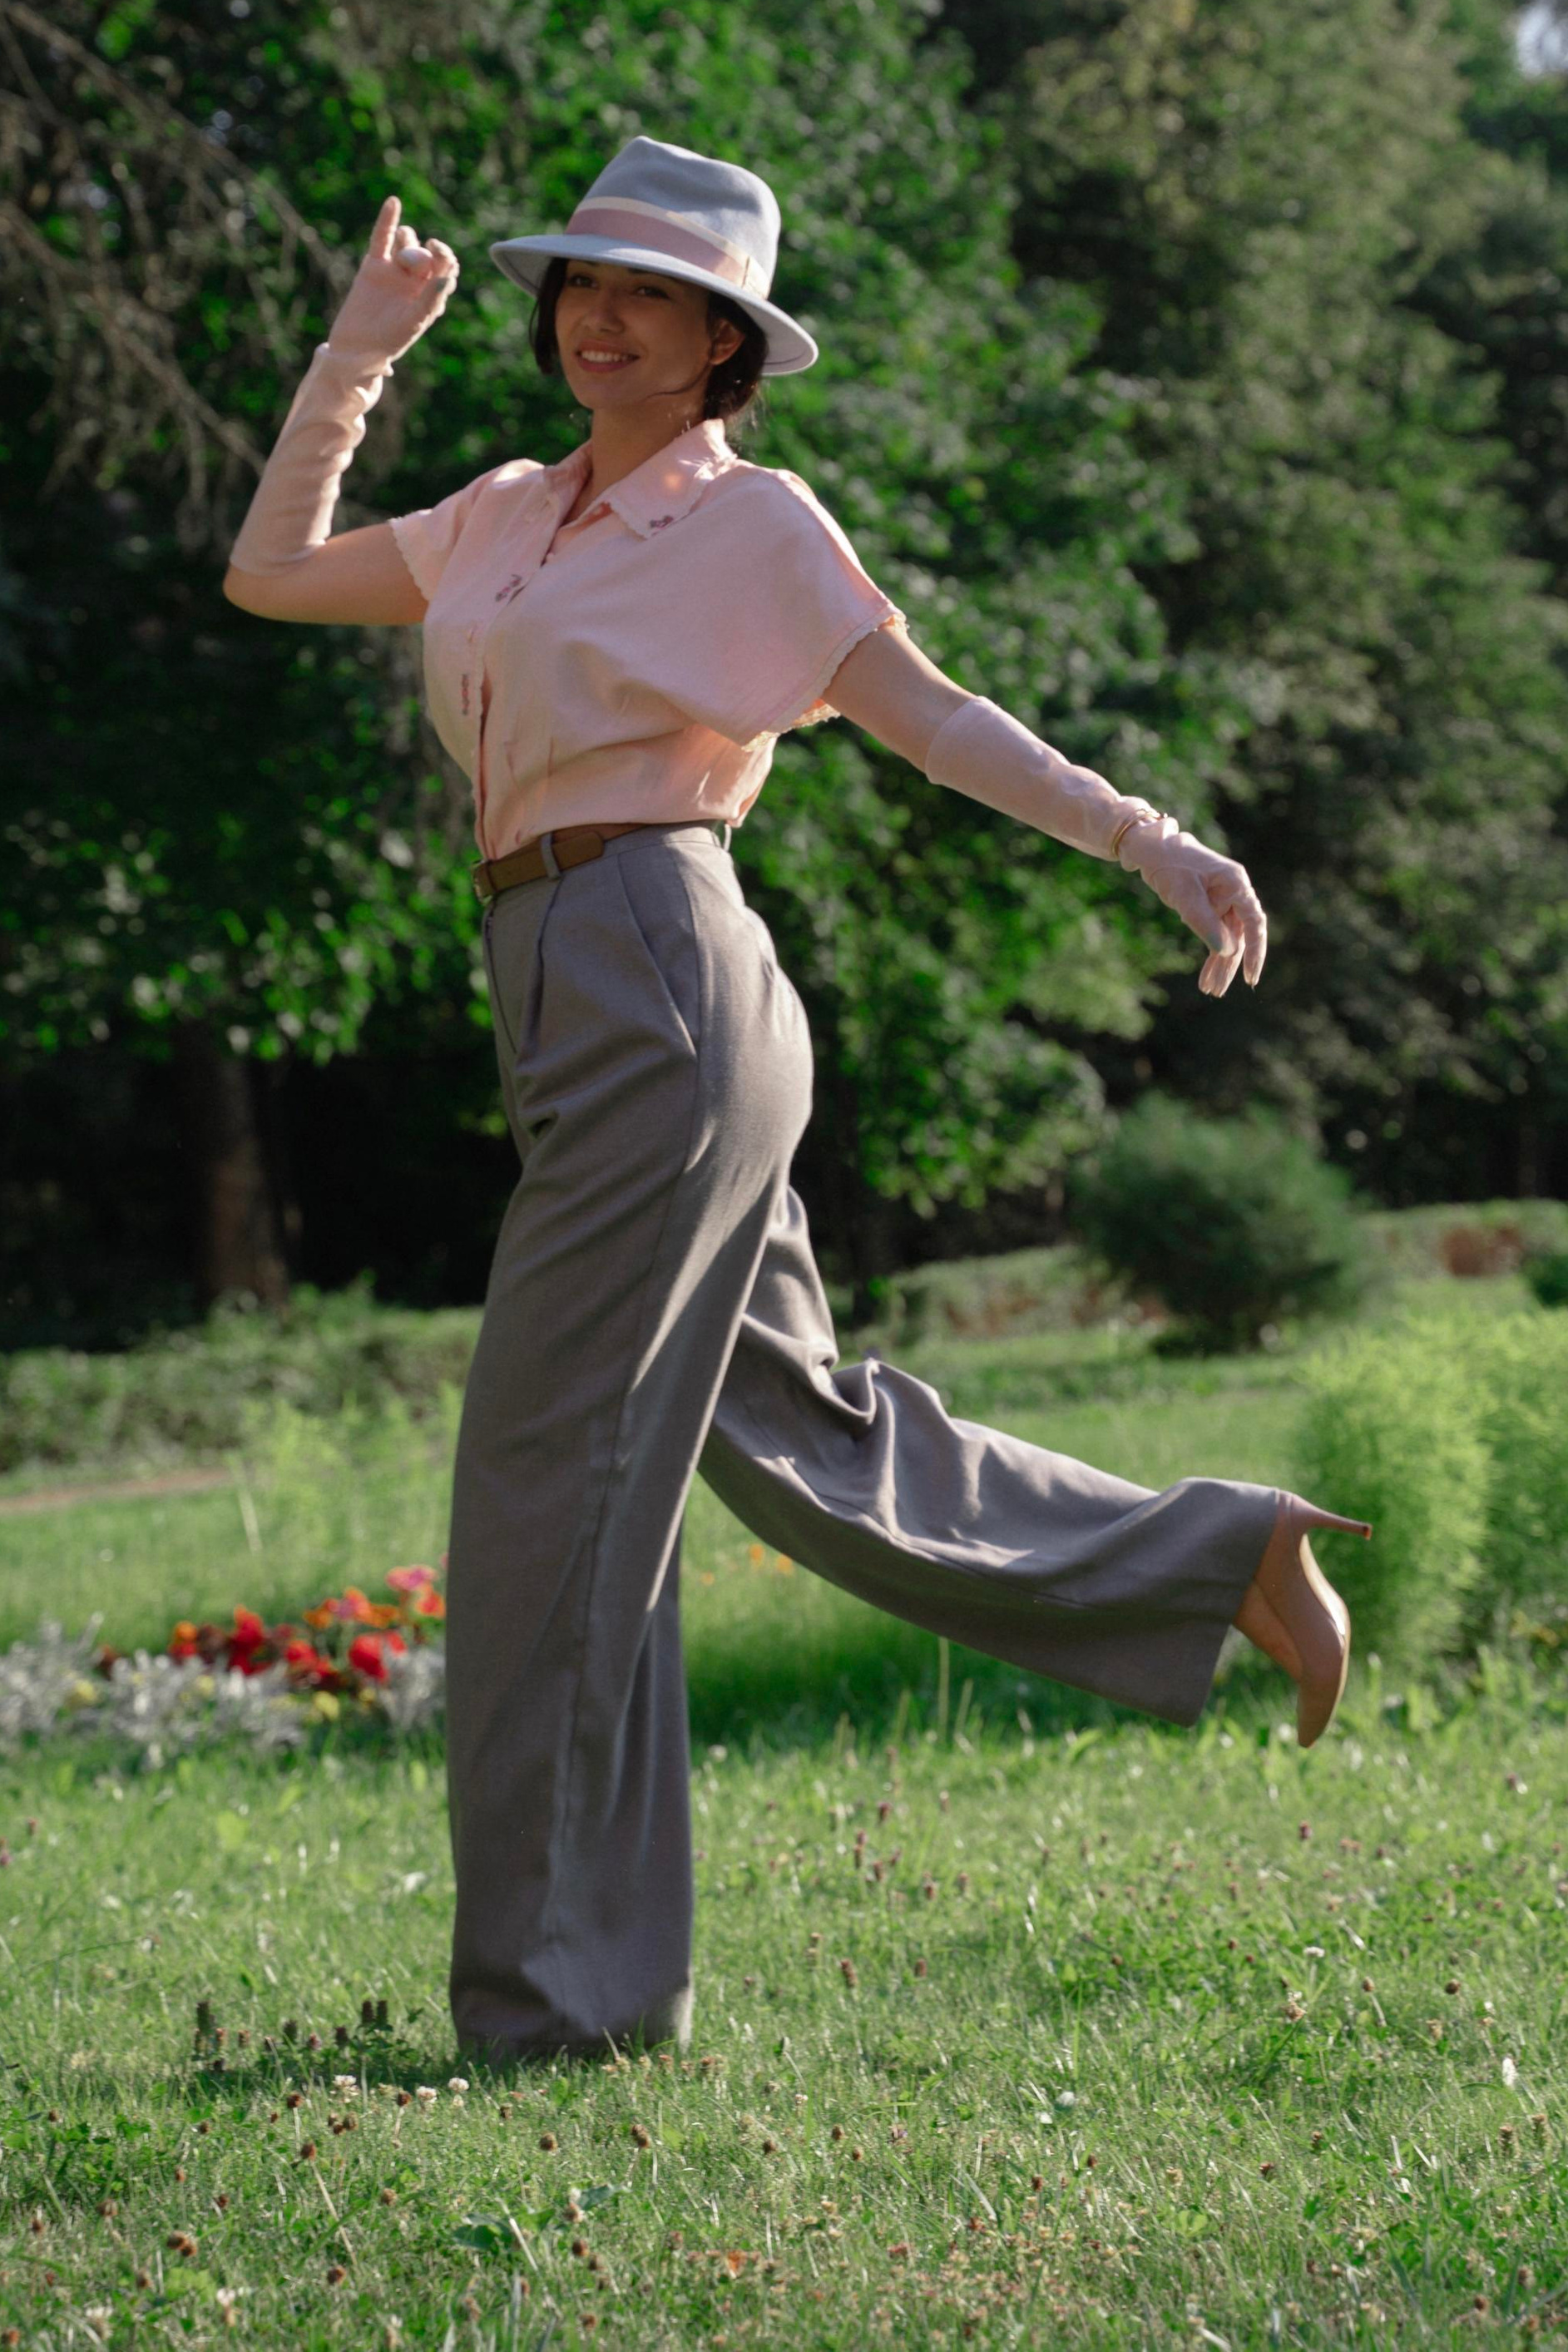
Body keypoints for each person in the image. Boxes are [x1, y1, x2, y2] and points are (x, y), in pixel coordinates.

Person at [224, 136, 1369, 2067]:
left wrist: (1146, 840)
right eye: (584, 283)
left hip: (658, 979)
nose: (602, 317)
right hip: (559, 977)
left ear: (722, 346)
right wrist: (356, 356)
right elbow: (266, 574)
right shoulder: (500, 513)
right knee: (788, 1430)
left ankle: (559, 2009)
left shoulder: (749, 527)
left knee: (546, 1483)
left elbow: (927, 715)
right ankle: (1216, 1556)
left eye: (652, 296)